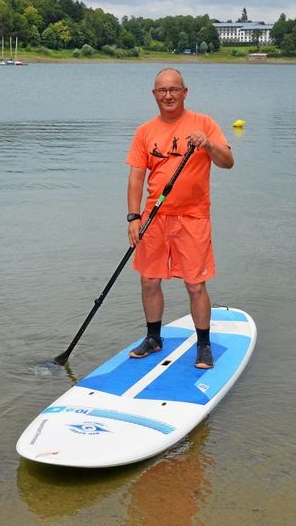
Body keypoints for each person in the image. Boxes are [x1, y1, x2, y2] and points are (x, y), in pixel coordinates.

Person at [126, 67, 233, 369]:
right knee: (149, 281)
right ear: (154, 94)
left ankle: (203, 344)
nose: (168, 95)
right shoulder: (144, 131)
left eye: (174, 89)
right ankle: (153, 337)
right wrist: (134, 218)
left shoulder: (204, 123)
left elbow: (228, 163)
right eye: (162, 90)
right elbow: (135, 179)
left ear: (185, 92)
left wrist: (209, 145)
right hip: (154, 218)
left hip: (193, 218)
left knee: (195, 285)